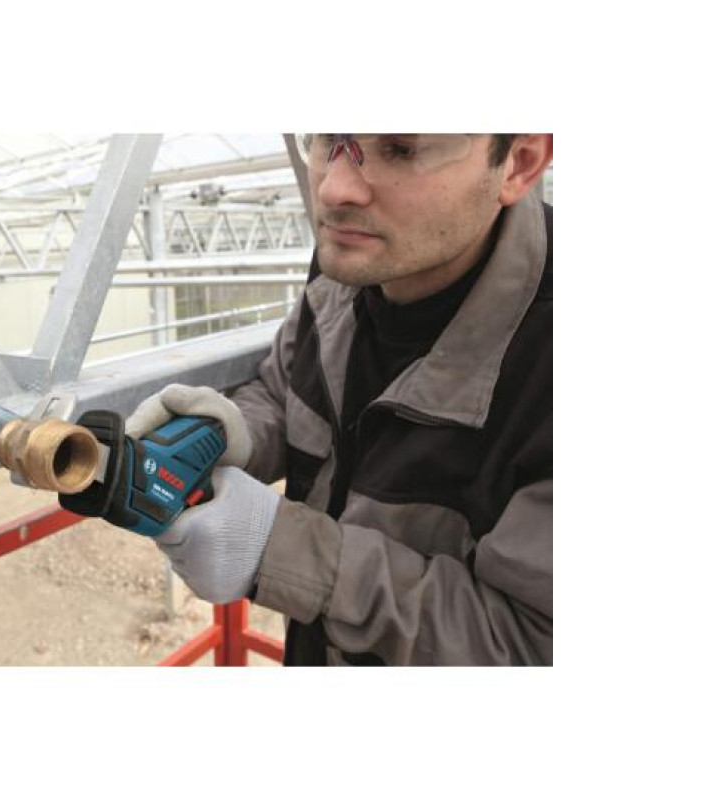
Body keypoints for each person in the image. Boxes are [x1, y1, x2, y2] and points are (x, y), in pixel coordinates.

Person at [126, 134, 553, 665]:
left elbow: (529, 646)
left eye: (401, 148)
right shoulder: (357, 255)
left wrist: (285, 553)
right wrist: (232, 431)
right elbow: (286, 388)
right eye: (327, 137)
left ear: (519, 163)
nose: (334, 188)